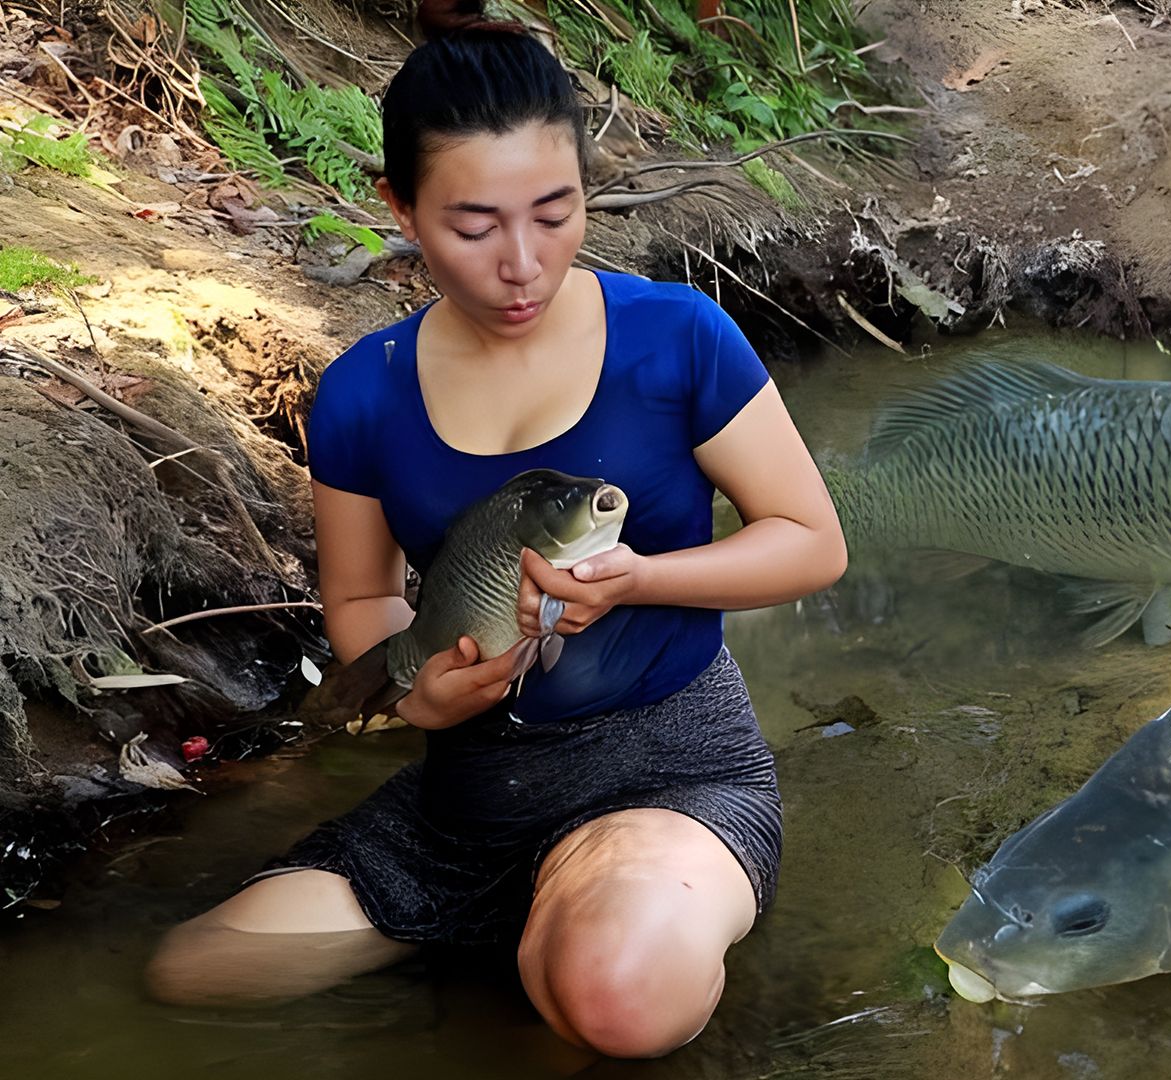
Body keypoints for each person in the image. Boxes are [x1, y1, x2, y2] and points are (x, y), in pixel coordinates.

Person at [144, 0, 846, 1059]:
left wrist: (640, 580)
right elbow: (363, 609)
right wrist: (418, 699)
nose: (522, 261)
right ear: (401, 206)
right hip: (467, 799)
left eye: (555, 212)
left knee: (618, 996)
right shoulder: (362, 396)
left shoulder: (677, 339)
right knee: (190, 975)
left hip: (666, 767)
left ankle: (603, 929)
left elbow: (810, 539)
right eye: (474, 226)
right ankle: (528, 929)